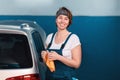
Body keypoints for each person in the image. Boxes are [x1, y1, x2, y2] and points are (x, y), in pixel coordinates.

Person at [41, 7, 82, 80]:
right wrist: (45, 57)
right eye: (60, 18)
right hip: (49, 77)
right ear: (56, 20)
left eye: (66, 19)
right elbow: (46, 64)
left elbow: (76, 64)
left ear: (69, 22)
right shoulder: (50, 37)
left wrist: (59, 57)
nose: (62, 21)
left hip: (66, 77)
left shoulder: (73, 38)